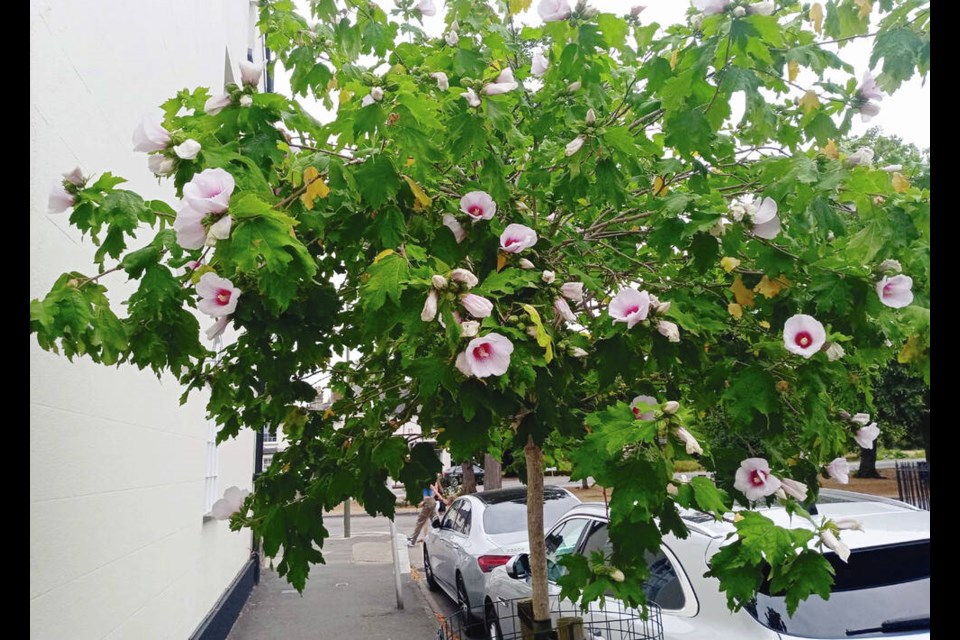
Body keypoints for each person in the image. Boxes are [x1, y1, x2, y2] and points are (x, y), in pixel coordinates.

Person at [408, 475, 446, 546]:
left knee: (420, 521)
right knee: (435, 521)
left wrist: (441, 498)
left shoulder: (425, 481)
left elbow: (434, 490)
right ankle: (441, 538)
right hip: (432, 502)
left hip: (429, 502)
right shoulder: (428, 481)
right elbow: (434, 491)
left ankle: (412, 540)